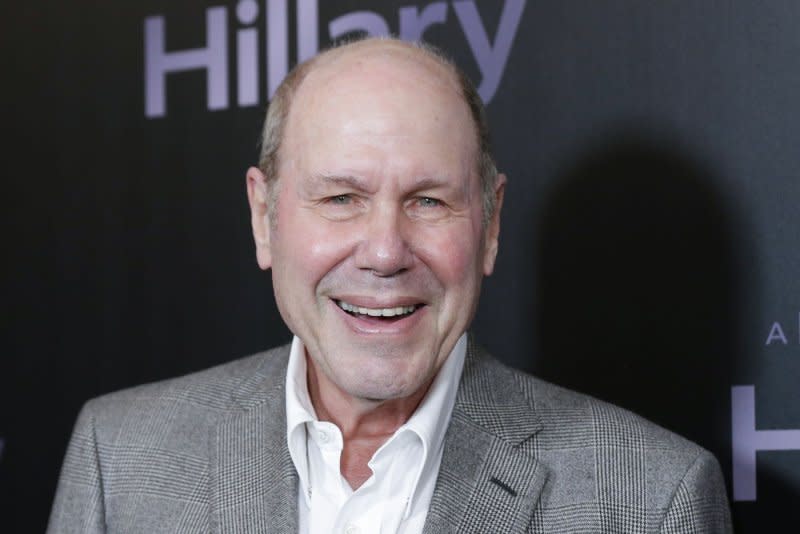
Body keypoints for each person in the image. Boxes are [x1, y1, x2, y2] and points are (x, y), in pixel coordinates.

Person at [47, 37, 733, 533]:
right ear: (264, 217)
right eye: (341, 198)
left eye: (429, 201)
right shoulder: (122, 460)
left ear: (490, 227)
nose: (383, 252)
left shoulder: (648, 500)